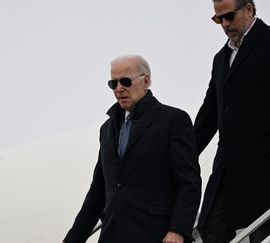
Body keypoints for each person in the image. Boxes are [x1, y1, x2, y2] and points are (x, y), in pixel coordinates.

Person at [194, 0, 270, 242]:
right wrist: (185, 151)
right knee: (210, 225)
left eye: (229, 16)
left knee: (267, 232)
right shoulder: (221, 58)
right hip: (229, 164)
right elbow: (210, 113)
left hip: (269, 161)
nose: (224, 24)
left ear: (249, 9)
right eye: (218, 19)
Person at [63, 55, 201, 243]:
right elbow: (98, 192)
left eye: (126, 81)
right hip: (113, 235)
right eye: (114, 83)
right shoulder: (107, 130)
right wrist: (72, 239)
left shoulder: (173, 120)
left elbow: (189, 182)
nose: (119, 89)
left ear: (146, 81)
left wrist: (178, 230)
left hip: (155, 235)